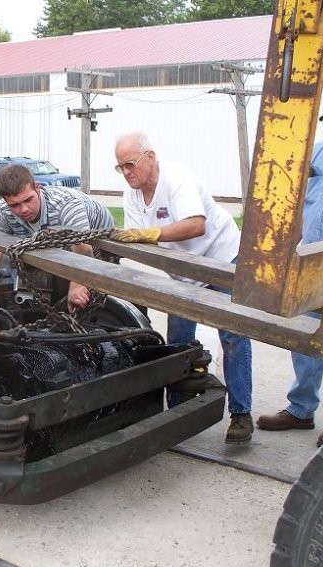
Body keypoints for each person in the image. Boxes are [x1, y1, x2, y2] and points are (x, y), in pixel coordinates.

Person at [113, 132, 253, 444]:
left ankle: (241, 414)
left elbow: (195, 224)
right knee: (178, 340)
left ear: (150, 157)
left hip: (221, 260)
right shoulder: (132, 196)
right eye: (120, 167)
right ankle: (177, 409)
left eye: (130, 164)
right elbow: (141, 241)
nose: (126, 172)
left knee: (233, 334)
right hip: (183, 272)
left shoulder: (177, 179)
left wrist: (151, 233)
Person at [256, 87, 323, 447]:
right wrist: (286, 254)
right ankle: (301, 408)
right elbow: (301, 204)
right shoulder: (319, 152)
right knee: (303, 333)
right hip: (310, 259)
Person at [0, 164, 114, 316]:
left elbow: (83, 250)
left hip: (99, 241)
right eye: (15, 205)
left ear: (37, 187)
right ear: (5, 200)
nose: (24, 209)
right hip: (58, 241)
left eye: (28, 200)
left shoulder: (65, 205)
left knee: (76, 285)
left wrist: (76, 286)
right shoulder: (3, 210)